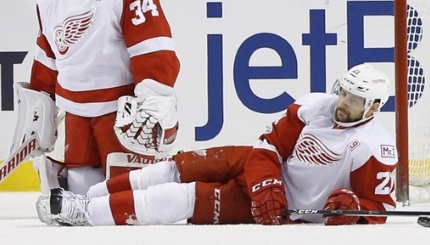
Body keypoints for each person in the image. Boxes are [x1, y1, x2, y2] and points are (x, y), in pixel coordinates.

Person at [45, 63, 398, 227]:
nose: (343, 102)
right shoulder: (314, 106)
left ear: (374, 107)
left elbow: (378, 206)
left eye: (355, 100)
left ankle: (86, 214)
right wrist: (267, 182)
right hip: (262, 171)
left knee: (182, 199)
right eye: (345, 92)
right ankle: (92, 194)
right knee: (179, 166)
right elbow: (269, 148)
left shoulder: (374, 146)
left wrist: (352, 210)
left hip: (278, 208)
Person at [13, 0, 181, 224]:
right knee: (79, 184)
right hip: (75, 111)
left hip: (117, 110)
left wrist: (155, 97)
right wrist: (41, 109)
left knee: (123, 192)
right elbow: (48, 54)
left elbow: (153, 46)